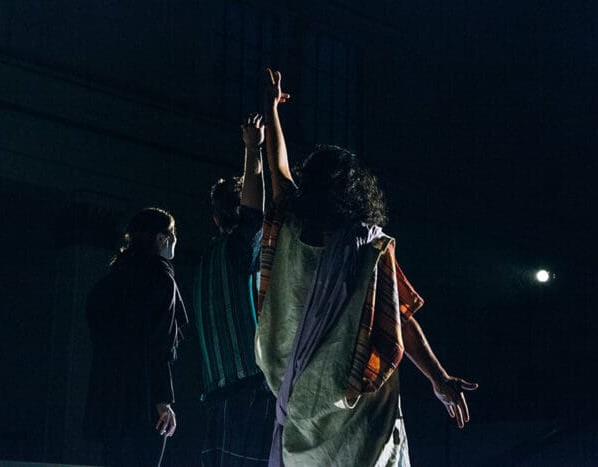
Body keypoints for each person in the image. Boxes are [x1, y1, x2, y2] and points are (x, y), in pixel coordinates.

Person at [255, 68, 478, 467]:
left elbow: (278, 170)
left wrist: (271, 108)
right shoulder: (366, 245)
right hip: (356, 398)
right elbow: (399, 319)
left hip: (301, 394)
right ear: (355, 190)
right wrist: (439, 378)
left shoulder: (289, 226)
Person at [193, 114, 275, 466]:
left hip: (217, 394)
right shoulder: (239, 251)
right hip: (249, 391)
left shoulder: (205, 262)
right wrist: (253, 150)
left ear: (214, 217)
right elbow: (254, 214)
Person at [84, 207, 188, 467]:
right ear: (162, 238)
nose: (175, 239)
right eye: (173, 233)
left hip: (111, 396)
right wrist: (162, 400)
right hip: (144, 397)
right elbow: (159, 345)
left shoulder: (114, 278)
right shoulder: (161, 278)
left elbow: (94, 314)